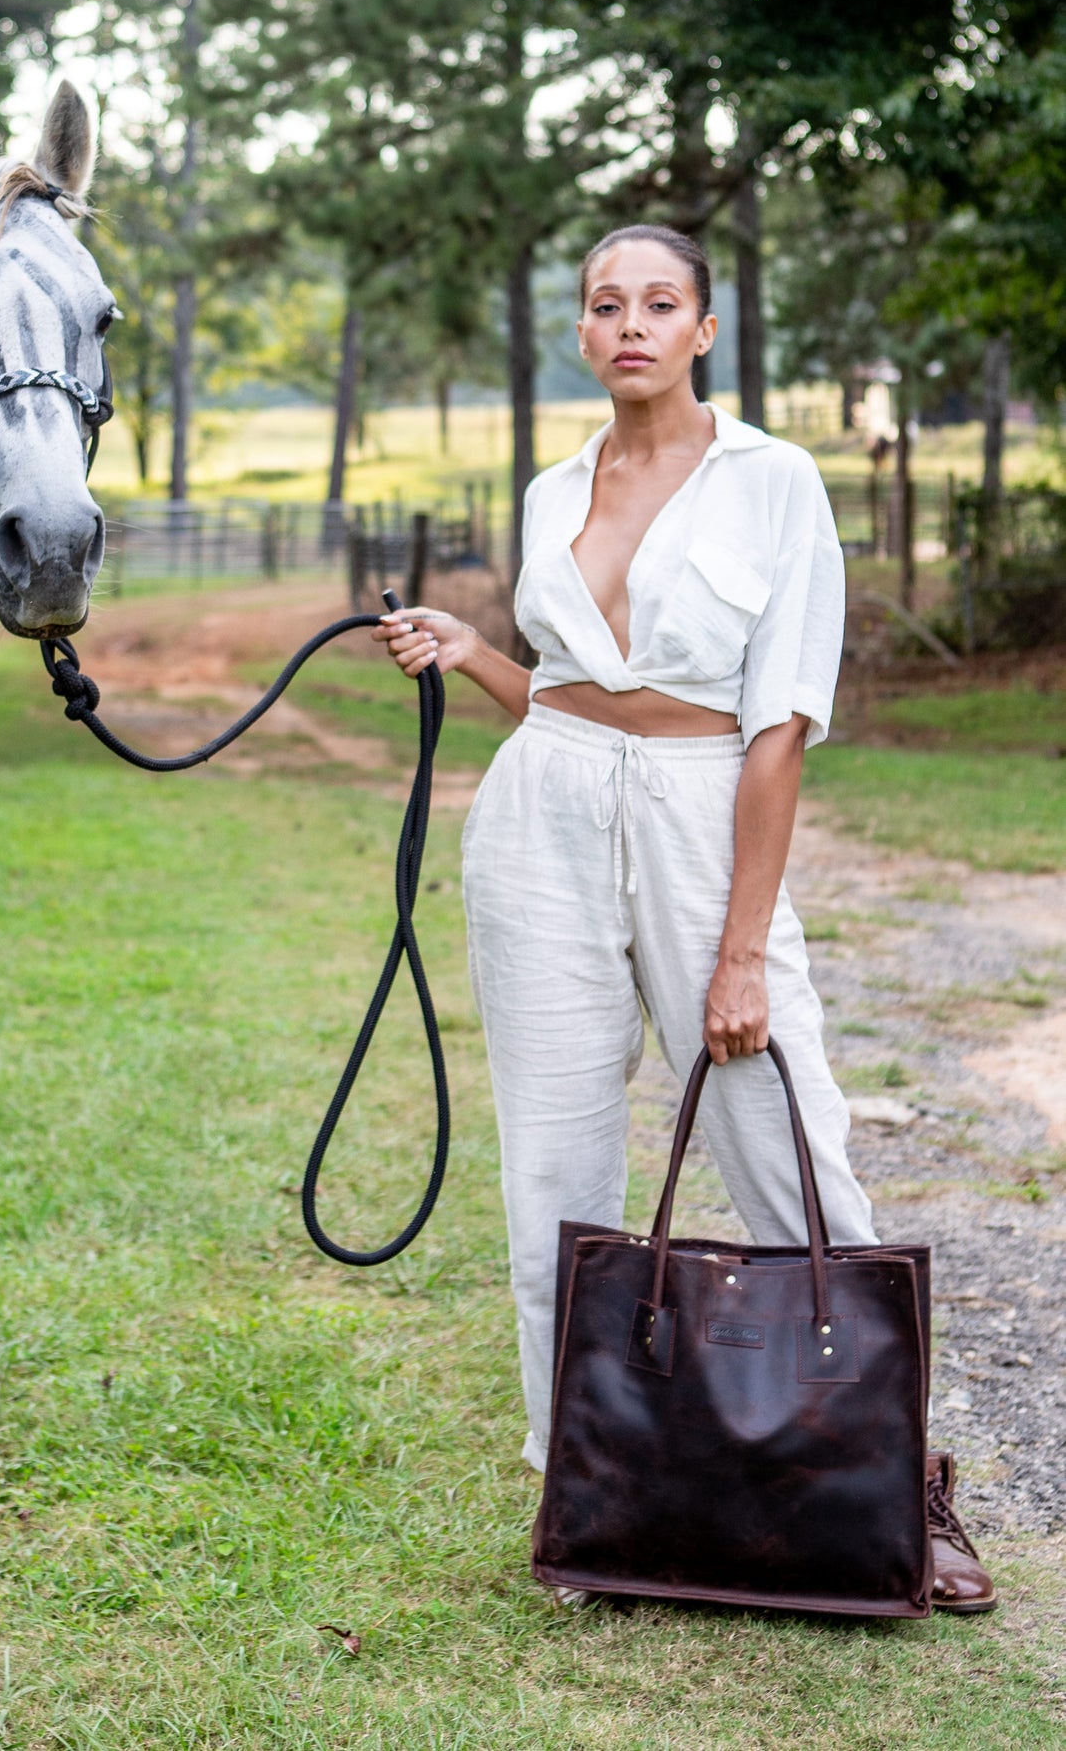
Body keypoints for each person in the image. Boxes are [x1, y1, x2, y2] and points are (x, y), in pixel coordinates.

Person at [374, 223, 993, 1614]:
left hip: (708, 817)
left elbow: (777, 725)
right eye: (607, 305)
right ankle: (588, 1490)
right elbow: (570, 690)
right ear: (584, 335)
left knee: (794, 1150)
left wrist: (737, 952)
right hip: (543, 814)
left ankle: (902, 1480)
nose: (632, 324)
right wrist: (478, 655)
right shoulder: (550, 490)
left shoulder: (772, 482)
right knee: (556, 1177)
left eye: (660, 303)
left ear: (704, 328)